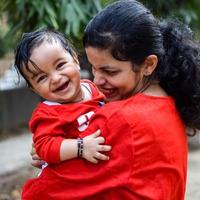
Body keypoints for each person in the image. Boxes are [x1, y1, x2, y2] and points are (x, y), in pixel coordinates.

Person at [23, 0, 200, 199]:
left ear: (148, 64)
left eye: (110, 71)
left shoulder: (120, 119)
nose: (97, 81)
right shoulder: (168, 102)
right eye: (93, 68)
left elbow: (40, 193)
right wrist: (56, 149)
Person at [14, 28, 112, 169]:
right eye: (42, 78)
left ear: (75, 60)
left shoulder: (93, 88)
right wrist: (80, 147)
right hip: (74, 179)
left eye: (60, 65)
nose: (55, 78)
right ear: (34, 89)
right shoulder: (48, 113)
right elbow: (43, 146)